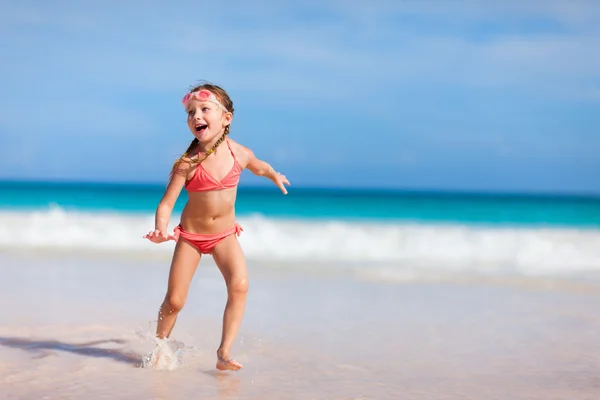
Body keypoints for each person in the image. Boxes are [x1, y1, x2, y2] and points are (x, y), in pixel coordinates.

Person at [144, 82, 290, 371]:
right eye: (190, 112)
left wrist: (275, 175)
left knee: (240, 286)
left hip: (224, 236)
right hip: (191, 237)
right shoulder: (186, 164)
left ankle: (223, 353)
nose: (196, 116)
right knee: (174, 300)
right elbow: (166, 204)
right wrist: (162, 229)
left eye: (204, 109)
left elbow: (260, 166)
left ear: (226, 118)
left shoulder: (240, 154)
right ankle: (159, 346)